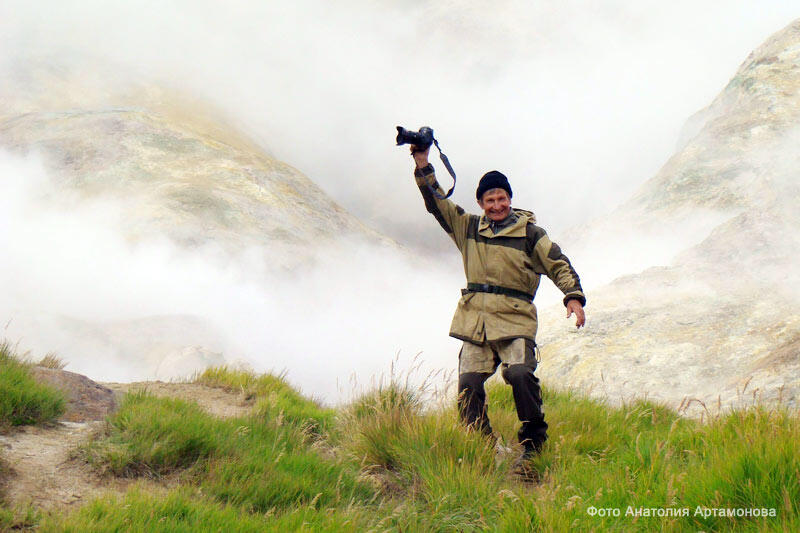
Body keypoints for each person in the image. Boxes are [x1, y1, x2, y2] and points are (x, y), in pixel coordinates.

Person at [410, 144, 586, 468]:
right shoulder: (467, 228)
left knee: (520, 374)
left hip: (515, 320)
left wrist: (573, 296)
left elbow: (558, 264)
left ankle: (534, 441)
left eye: (501, 198)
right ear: (480, 203)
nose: (496, 205)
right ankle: (484, 447)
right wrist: (423, 162)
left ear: (510, 198)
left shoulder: (531, 234)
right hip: (475, 321)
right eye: (489, 200)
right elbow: (437, 204)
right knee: (468, 386)